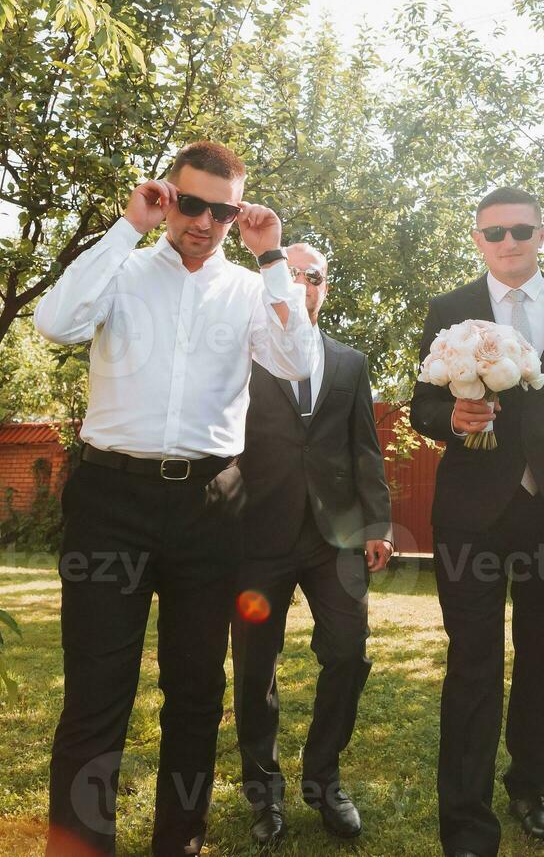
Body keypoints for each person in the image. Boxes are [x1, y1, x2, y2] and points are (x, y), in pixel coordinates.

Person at [34, 140, 320, 856]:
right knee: (96, 700)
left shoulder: (253, 286)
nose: (204, 222)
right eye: (191, 204)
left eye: (222, 211)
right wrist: (126, 226)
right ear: (166, 197)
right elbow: (55, 324)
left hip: (211, 504)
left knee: (195, 696)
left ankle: (179, 845)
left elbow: (298, 363)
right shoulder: (124, 268)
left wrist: (271, 259)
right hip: (111, 501)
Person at [409, 186, 544, 857]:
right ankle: (468, 824)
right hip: (471, 515)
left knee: (541, 659)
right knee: (472, 664)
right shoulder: (450, 311)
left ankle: (530, 790)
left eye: (521, 230)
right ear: (477, 239)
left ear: (541, 232)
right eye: (495, 232)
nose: (509, 242)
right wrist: (454, 418)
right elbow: (421, 406)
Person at [230, 242, 395, 847]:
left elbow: (364, 448)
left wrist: (377, 523)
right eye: (290, 273)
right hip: (256, 536)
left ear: (326, 287)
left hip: (337, 537)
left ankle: (324, 780)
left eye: (314, 276)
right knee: (254, 668)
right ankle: (263, 794)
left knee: (348, 653)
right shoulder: (241, 353)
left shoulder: (349, 362)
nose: (302, 283)